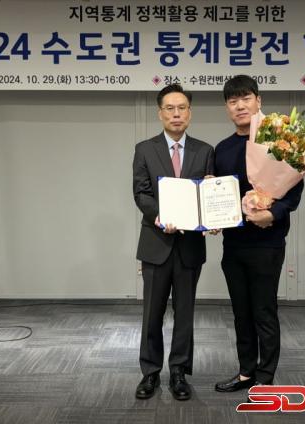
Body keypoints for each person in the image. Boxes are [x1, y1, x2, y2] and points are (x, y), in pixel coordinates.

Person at [213, 75, 304, 392]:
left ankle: (265, 379)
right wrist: (210, 213)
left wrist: (272, 214)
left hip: (267, 243)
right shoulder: (222, 149)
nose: (240, 105)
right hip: (233, 244)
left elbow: (293, 190)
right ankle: (246, 372)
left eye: (246, 98)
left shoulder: (278, 141)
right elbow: (218, 194)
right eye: (232, 101)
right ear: (227, 107)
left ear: (258, 101)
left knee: (264, 311)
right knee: (241, 313)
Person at [133, 84, 214, 401]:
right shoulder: (144, 149)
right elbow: (141, 193)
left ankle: (179, 372)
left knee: (185, 313)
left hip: (190, 247)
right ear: (160, 113)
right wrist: (160, 216)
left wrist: (212, 211)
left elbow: (209, 194)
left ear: (190, 113)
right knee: (151, 313)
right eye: (170, 108)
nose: (176, 113)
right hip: (156, 242)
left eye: (182, 108)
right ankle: (150, 372)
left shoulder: (205, 151)